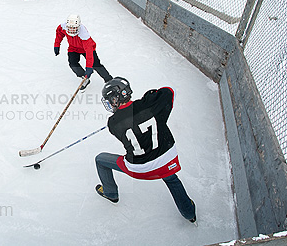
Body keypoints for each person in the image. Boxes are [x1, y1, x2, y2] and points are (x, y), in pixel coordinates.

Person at [95, 77, 197, 224]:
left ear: (116, 97)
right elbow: (168, 92)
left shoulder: (112, 123)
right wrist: (150, 97)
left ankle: (111, 193)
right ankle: (189, 214)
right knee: (171, 178)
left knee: (100, 159)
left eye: (110, 99)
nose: (110, 104)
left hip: (139, 168)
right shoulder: (150, 105)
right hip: (166, 160)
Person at [54, 15, 113, 92]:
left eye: (74, 28)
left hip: (86, 49)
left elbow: (89, 53)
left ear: (78, 26)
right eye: (70, 28)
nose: (71, 30)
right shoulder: (62, 27)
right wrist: (57, 45)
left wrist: (88, 67)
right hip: (73, 48)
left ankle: (109, 80)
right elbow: (59, 34)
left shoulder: (84, 35)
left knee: (96, 64)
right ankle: (84, 78)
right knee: (73, 64)